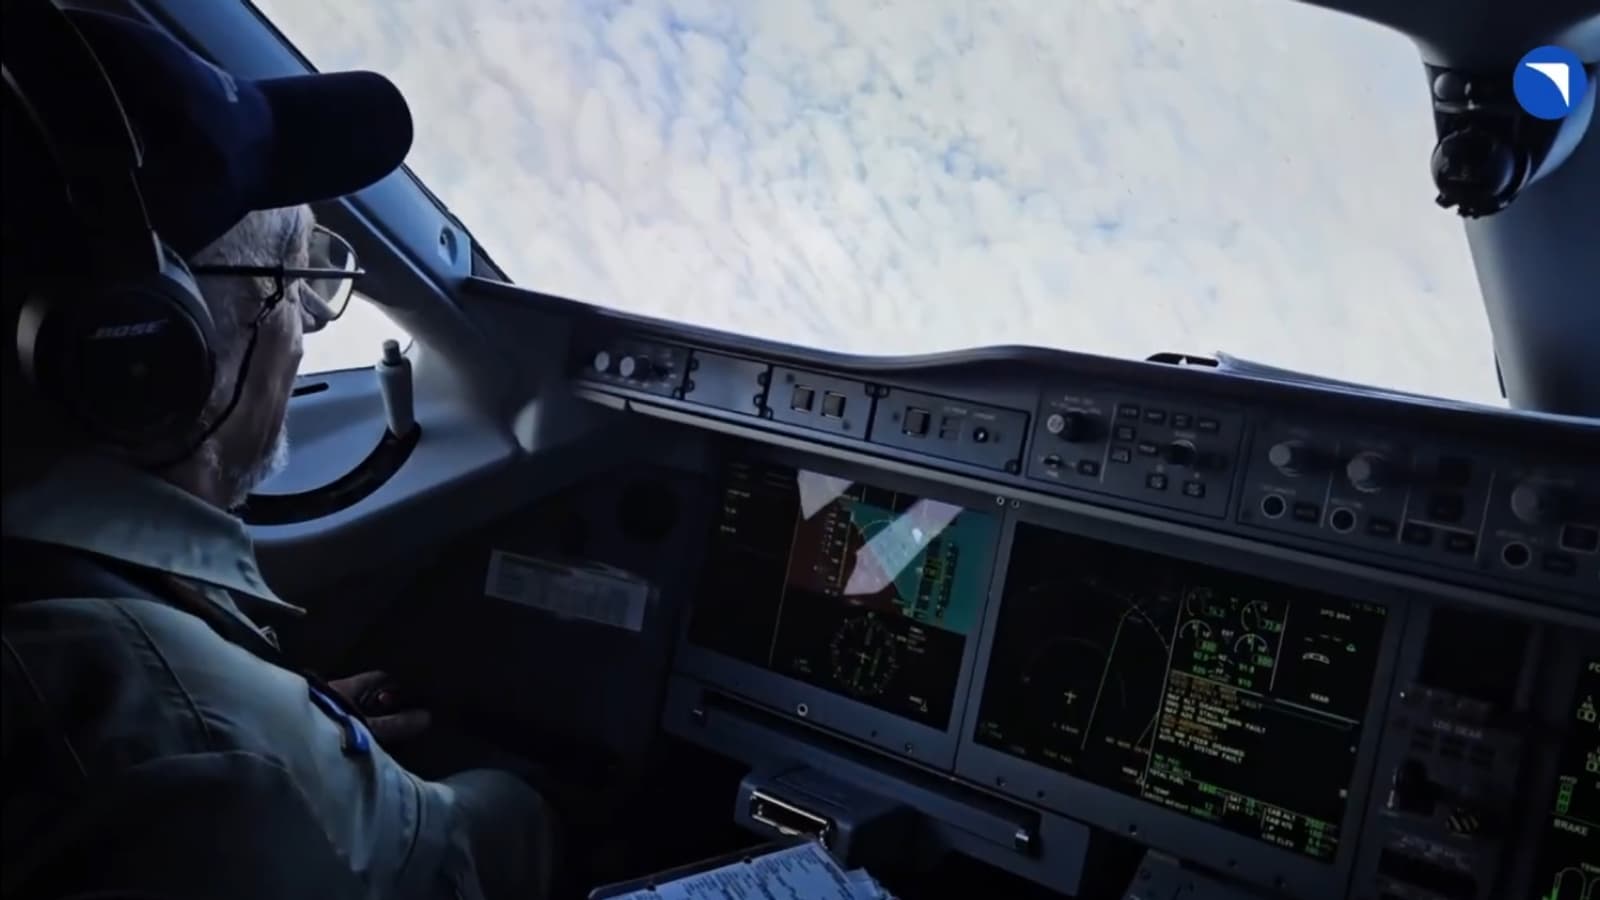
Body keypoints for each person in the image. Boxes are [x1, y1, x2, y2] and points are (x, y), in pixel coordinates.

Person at [0, 8, 554, 900]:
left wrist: (295, 717)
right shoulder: (215, 766)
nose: (299, 332)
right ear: (144, 354)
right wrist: (299, 751)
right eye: (296, 284)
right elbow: (484, 844)